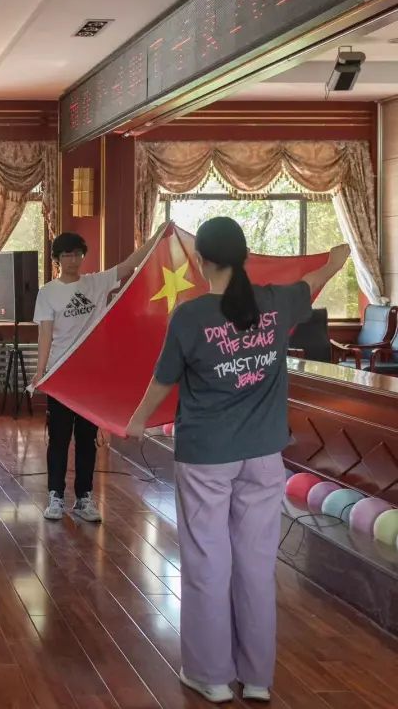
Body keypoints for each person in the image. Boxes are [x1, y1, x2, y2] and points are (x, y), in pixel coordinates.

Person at [126, 217, 350, 704]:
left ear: (201, 261)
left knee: (207, 562)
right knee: (255, 564)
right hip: (264, 456)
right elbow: (319, 274)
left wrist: (137, 420)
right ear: (245, 257)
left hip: (207, 457)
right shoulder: (277, 302)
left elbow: (164, 380)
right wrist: (339, 255)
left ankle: (209, 676)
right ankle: (257, 678)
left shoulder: (189, 316)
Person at [31, 230, 161, 523]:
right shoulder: (48, 293)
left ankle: (84, 497)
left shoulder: (96, 283)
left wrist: (158, 237)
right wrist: (41, 372)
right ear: (57, 259)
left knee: (87, 438)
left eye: (78, 254)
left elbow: (130, 265)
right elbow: (45, 334)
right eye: (67, 255)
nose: (73, 260)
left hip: (90, 377)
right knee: (59, 438)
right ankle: (55, 495)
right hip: (61, 376)